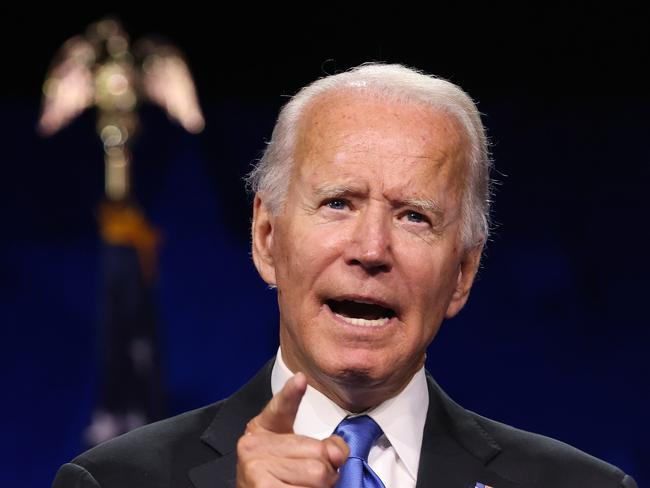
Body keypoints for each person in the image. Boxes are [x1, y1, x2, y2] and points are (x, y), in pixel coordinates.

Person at [52, 63, 637, 488]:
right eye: (338, 203)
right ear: (267, 237)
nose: (372, 249)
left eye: (415, 216)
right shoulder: (114, 481)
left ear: (463, 271)